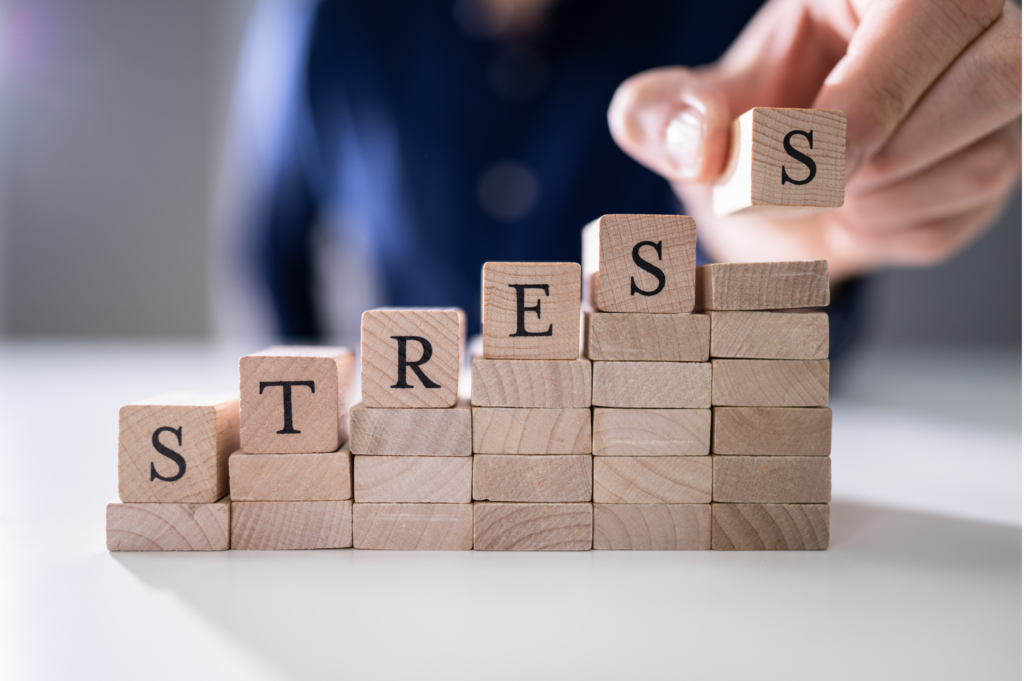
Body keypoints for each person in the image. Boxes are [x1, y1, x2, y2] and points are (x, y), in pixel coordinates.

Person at [234, 0, 1020, 361]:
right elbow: (267, 259)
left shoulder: (743, 18)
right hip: (415, 460)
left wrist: (772, 259)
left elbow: (803, 312)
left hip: (657, 480)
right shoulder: (324, 19)